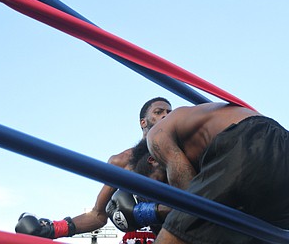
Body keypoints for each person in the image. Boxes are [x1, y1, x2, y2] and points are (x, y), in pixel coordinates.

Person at [15, 97, 172, 241]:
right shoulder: (123, 161)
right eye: (158, 112)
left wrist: (150, 211)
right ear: (143, 122)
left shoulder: (184, 153)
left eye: (169, 112)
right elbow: (98, 215)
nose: (166, 116)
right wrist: (53, 229)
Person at [141, 102, 289, 243]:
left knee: (176, 233)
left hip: (251, 141)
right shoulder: (196, 125)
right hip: (277, 145)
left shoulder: (156, 134)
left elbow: (190, 202)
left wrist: (152, 212)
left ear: (152, 161)